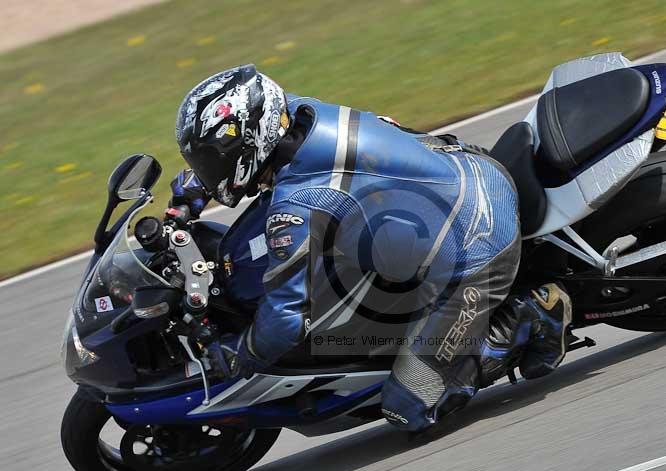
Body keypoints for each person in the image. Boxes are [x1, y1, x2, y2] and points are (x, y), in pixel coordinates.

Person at [172, 64, 572, 433]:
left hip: (478, 240)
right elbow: (244, 146)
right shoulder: (295, 113)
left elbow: (286, 317)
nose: (206, 168)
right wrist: (196, 191)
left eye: (209, 160)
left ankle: (533, 313)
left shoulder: (297, 200)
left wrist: (240, 353)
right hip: (462, 169)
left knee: (409, 406)